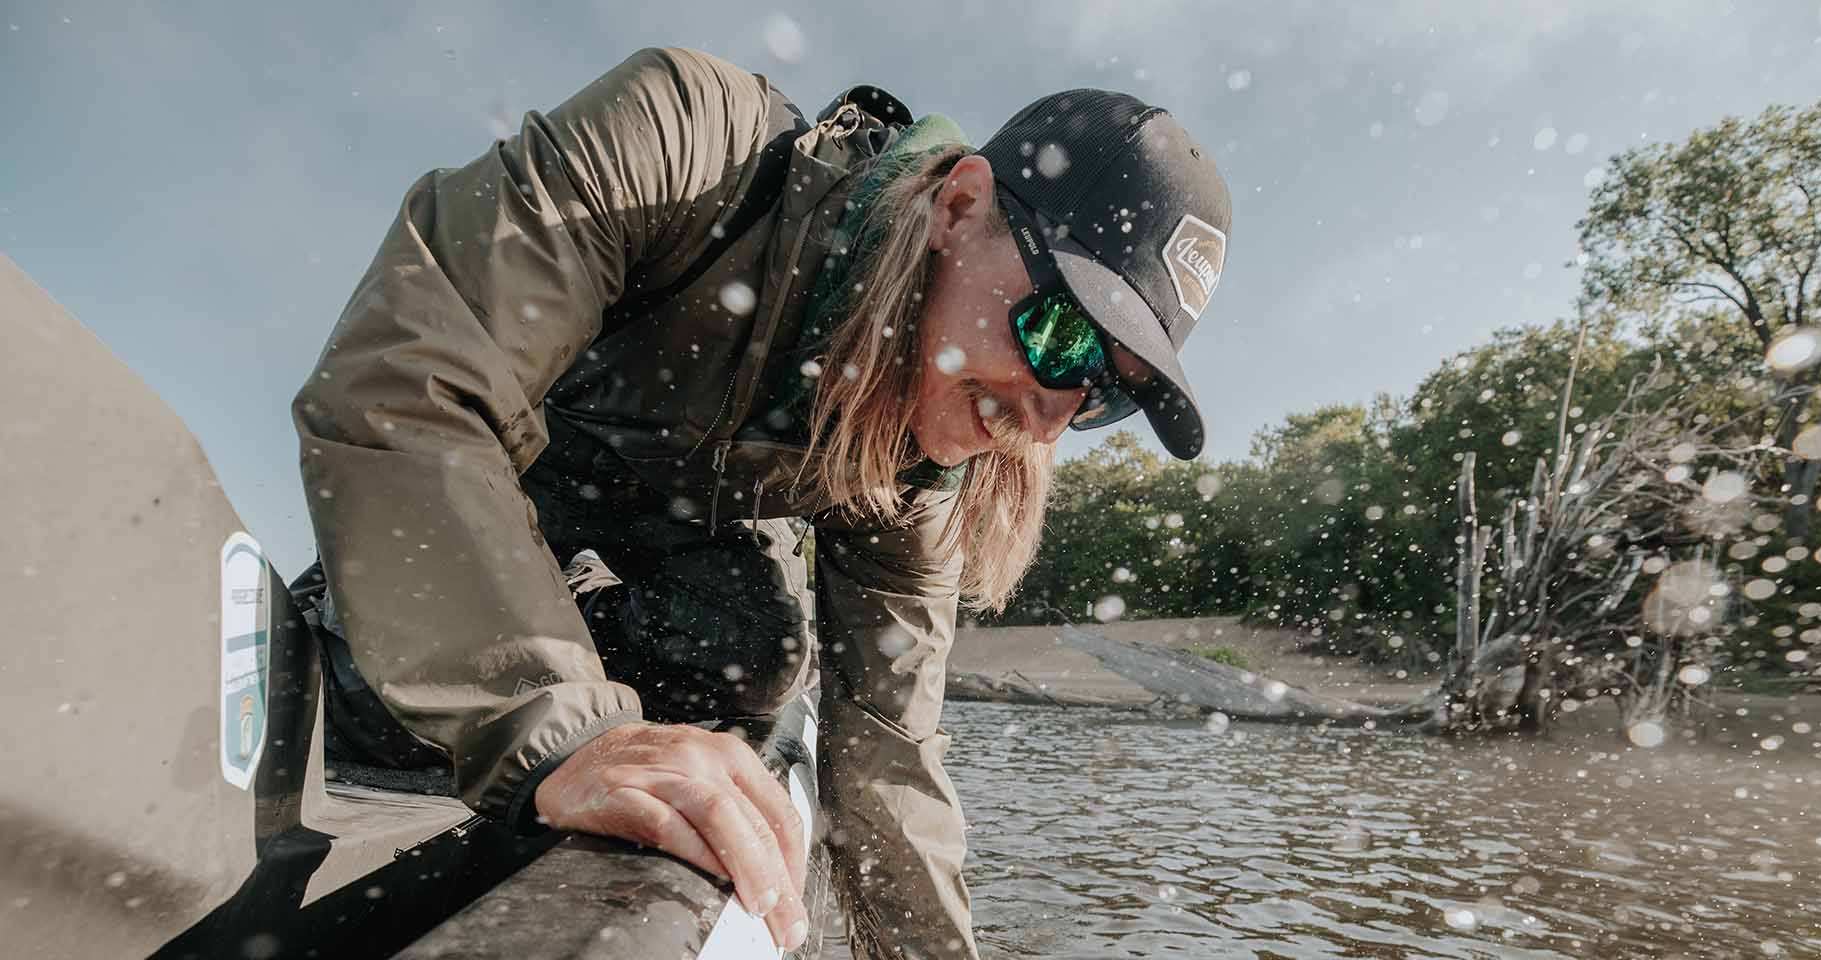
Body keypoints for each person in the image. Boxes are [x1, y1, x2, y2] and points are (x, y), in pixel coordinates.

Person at [293, 46, 1229, 958]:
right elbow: (408, 384)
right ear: (960, 205)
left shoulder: (920, 470)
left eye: (1103, 393)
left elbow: (891, 747)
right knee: (378, 707)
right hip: (501, 491)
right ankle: (362, 651)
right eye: (1061, 332)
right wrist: (563, 728)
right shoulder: (684, 139)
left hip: (666, 553)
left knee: (755, 653)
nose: (1047, 419)